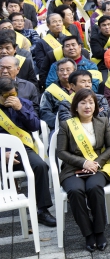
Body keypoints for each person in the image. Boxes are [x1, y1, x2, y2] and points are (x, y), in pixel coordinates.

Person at [56, 88, 110, 252]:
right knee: (75, 192)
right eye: (83, 103)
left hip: (98, 166)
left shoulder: (103, 122)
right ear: (76, 107)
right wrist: (83, 163)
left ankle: (99, 232)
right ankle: (88, 234)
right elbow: (61, 152)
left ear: (95, 105)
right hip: (72, 168)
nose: (87, 106)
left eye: (91, 102)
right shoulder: (67, 125)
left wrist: (97, 162)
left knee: (94, 188)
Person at [0, 78, 56, 226]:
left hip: (21, 150)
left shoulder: (24, 104)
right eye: (6, 96)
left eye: (13, 94)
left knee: (40, 166)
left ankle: (42, 211)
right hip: (2, 152)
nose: (11, 98)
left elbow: (35, 126)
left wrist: (20, 109)